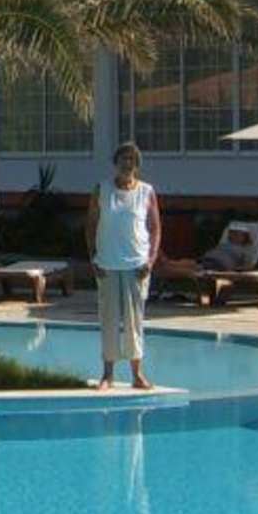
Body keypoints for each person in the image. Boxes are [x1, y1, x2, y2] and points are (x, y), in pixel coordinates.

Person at [84, 143, 161, 390]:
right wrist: (93, 258)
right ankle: (107, 375)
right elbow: (90, 225)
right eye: (123, 159)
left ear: (137, 165)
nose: (127, 164)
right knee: (108, 320)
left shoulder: (146, 191)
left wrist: (150, 261)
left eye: (132, 160)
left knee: (134, 322)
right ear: (116, 163)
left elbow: (155, 229)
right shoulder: (101, 189)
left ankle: (137, 374)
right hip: (107, 263)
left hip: (137, 265)